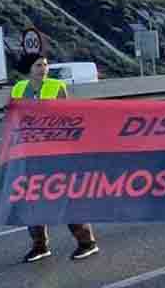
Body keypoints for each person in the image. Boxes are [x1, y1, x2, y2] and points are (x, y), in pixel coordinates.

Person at [11, 53, 100, 263]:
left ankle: (87, 243)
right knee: (32, 200)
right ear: (29, 68)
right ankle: (39, 246)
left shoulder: (56, 86)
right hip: (31, 153)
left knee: (65, 198)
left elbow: (66, 118)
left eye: (45, 65)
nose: (43, 68)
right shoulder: (18, 88)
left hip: (56, 153)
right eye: (38, 65)